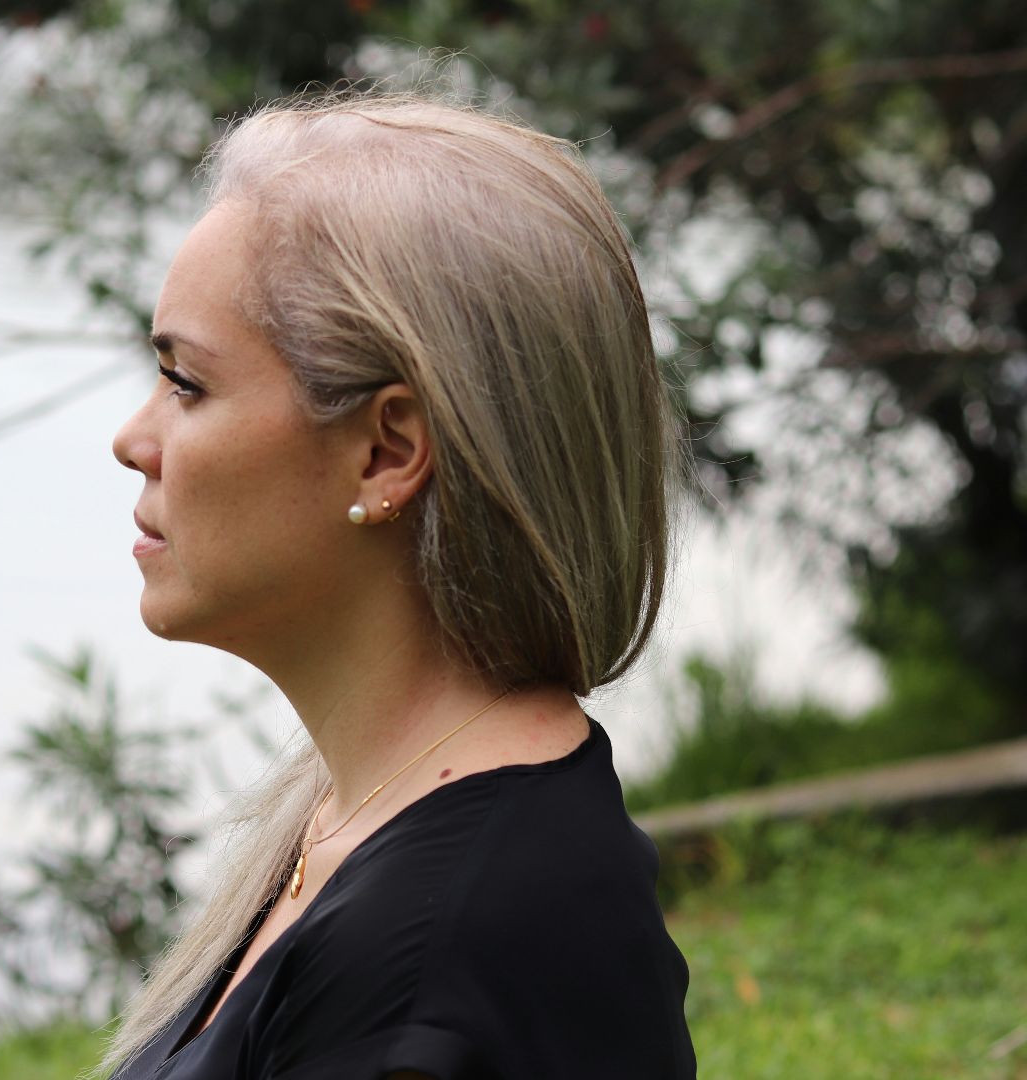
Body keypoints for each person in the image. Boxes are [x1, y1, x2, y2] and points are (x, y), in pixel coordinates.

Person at [103, 91, 696, 1079]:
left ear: (386, 452)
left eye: (188, 384)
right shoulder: (368, 828)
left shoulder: (433, 969)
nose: (133, 440)